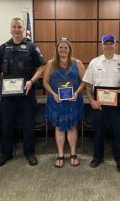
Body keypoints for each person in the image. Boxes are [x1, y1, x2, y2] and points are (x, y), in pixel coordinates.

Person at [0, 18, 45, 167]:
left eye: (19, 27)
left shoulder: (31, 47)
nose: (16, 29)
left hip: (26, 93)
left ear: (23, 29)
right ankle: (6, 154)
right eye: (14, 27)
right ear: (10, 29)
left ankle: (29, 153)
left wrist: (32, 81)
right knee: (7, 124)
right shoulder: (3, 48)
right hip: (8, 96)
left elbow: (41, 67)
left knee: (28, 125)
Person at [83, 34, 120, 173]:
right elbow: (88, 85)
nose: (108, 46)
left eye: (111, 43)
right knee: (98, 133)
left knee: (119, 133)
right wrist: (91, 100)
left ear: (115, 45)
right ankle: (98, 157)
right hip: (99, 105)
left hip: (117, 104)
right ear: (102, 45)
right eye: (106, 44)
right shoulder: (94, 62)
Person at [43, 38, 85, 167]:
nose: (63, 49)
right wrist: (54, 94)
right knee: (59, 128)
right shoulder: (50, 63)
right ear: (57, 49)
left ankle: (73, 154)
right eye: (60, 47)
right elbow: (45, 82)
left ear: (69, 49)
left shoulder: (77, 63)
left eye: (65, 47)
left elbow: (84, 81)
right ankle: (60, 154)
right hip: (57, 101)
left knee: (72, 127)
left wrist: (77, 92)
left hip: (73, 101)